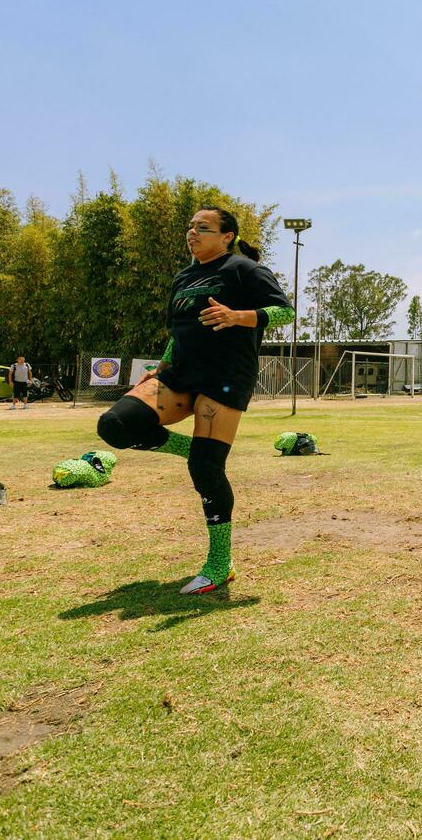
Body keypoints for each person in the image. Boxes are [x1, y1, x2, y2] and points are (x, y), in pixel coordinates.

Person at [95, 207, 294, 594]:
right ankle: (193, 449)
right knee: (116, 425)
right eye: (190, 227)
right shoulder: (183, 277)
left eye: (203, 228)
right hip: (181, 373)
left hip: (225, 376)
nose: (193, 233)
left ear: (227, 236)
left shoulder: (244, 270)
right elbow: (178, 330)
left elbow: (284, 311)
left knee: (206, 471)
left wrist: (240, 317)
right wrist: (162, 365)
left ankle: (220, 564)